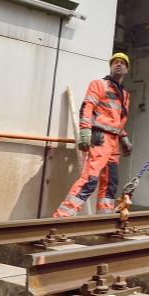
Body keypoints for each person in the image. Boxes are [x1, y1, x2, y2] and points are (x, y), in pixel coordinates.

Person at [55, 53, 134, 217]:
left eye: (122, 63)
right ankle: (62, 217)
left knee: (110, 183)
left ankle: (104, 219)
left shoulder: (125, 95)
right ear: (110, 67)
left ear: (126, 69)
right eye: (115, 63)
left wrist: (123, 138)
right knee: (90, 179)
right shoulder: (99, 84)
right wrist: (85, 131)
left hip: (113, 143)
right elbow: (87, 107)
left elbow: (118, 120)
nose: (119, 65)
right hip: (100, 138)